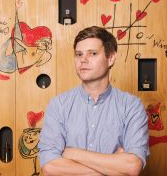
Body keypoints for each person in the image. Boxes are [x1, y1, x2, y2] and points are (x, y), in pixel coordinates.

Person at [38, 26, 149, 176]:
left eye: (93, 53)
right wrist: (114, 166)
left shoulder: (132, 106)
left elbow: (132, 167)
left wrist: (72, 153)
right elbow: (50, 167)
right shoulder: (58, 105)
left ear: (110, 58)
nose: (83, 60)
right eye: (79, 54)